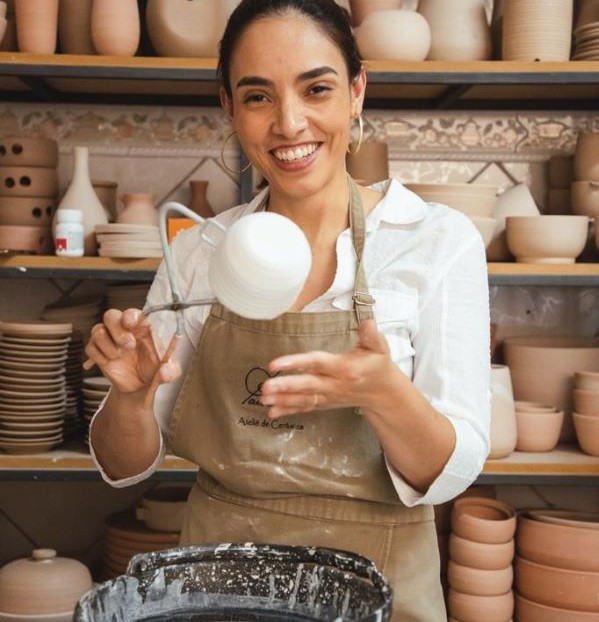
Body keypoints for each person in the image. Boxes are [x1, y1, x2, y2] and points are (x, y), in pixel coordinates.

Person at [85, 1, 491, 620]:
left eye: (317, 88)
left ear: (357, 92)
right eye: (257, 97)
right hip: (216, 585)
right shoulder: (198, 252)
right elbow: (124, 466)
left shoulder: (434, 240)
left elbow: (452, 473)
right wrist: (131, 400)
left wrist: (384, 394)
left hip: (382, 584)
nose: (289, 122)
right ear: (228, 107)